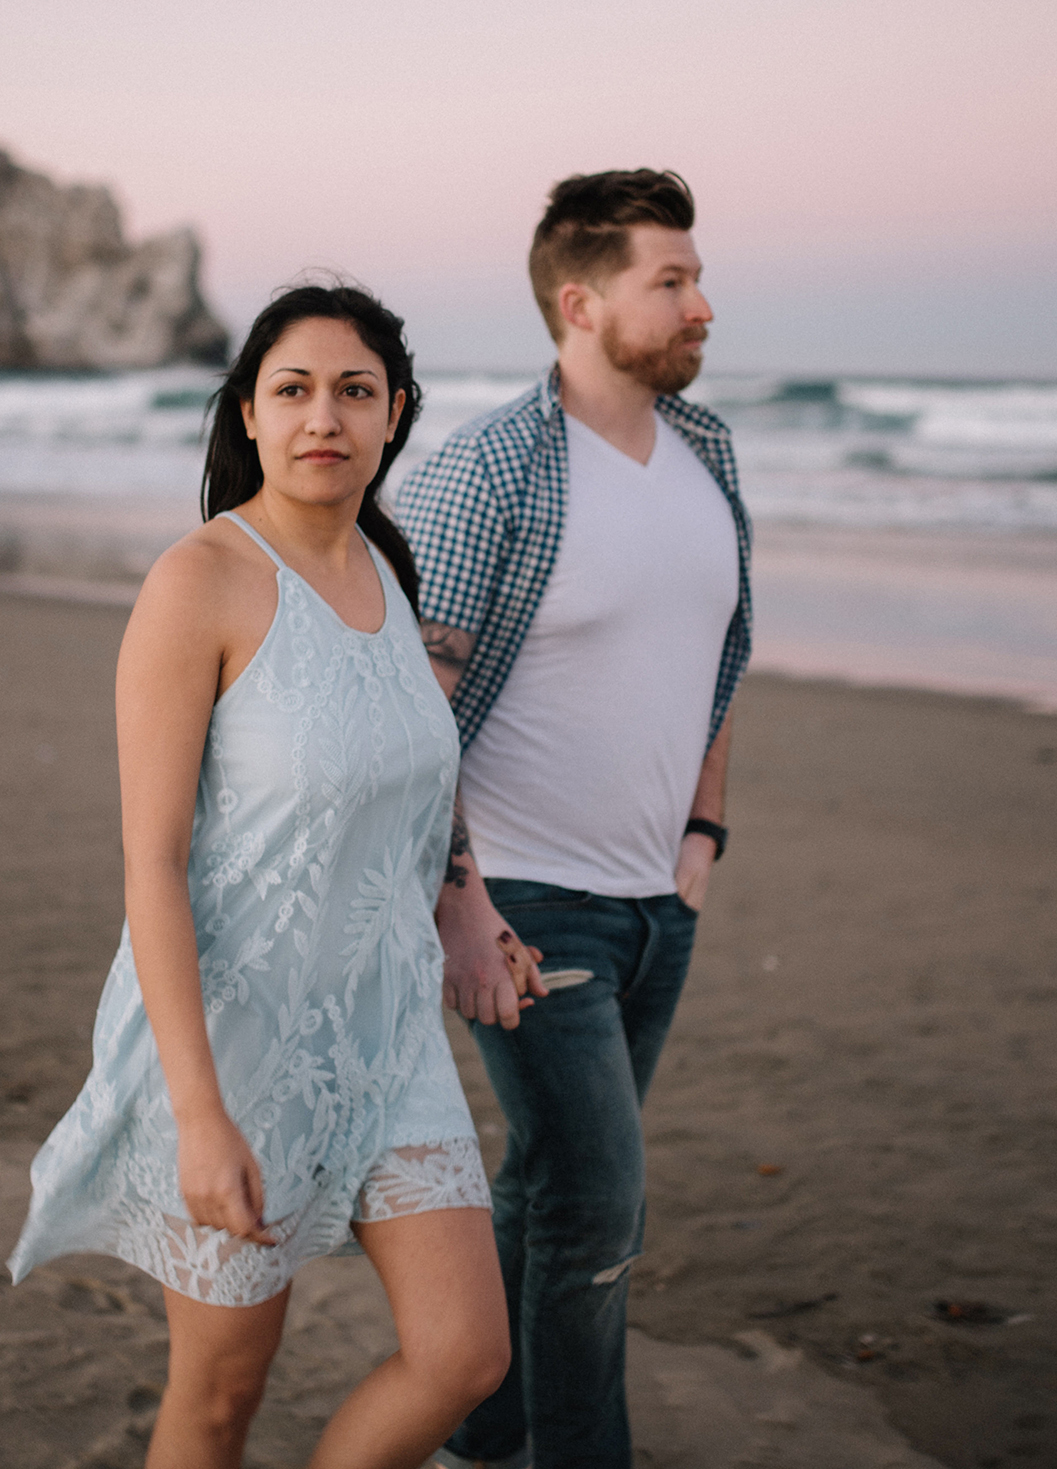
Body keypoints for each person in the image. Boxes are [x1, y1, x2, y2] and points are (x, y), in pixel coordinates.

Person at [9, 283, 536, 1469]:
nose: (323, 418)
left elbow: (419, 776)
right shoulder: (198, 582)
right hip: (236, 1042)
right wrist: (200, 1115)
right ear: (247, 412)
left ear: (394, 414)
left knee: (464, 1357)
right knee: (216, 1403)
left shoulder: (388, 578)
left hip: (385, 1030)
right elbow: (148, 862)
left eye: (354, 391)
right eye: (292, 390)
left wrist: (470, 909)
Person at [395, 170, 751, 1469]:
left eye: (698, 275)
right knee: (598, 1214)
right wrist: (463, 907)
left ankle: (474, 1430)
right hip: (528, 905)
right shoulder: (488, 473)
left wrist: (701, 842)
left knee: (548, 1183)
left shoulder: (709, 456)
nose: (703, 303)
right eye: (673, 280)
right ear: (581, 301)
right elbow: (408, 716)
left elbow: (720, 655)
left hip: (659, 905)